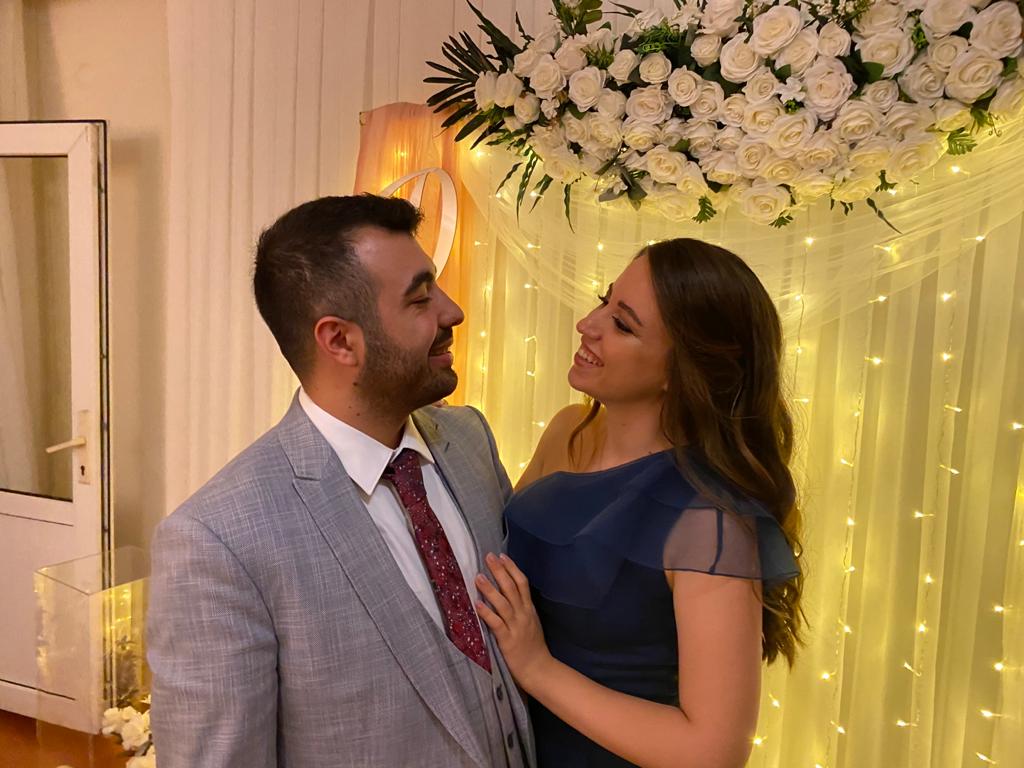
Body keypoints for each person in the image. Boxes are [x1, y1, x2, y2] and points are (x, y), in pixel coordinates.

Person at [147, 194, 534, 768]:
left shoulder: (470, 441)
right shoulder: (216, 541)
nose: (452, 312)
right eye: (420, 299)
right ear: (339, 341)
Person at [474, 239, 804, 768]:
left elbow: (712, 753)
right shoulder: (567, 431)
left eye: (623, 325)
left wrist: (538, 669)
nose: (587, 324)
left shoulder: (709, 520)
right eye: (604, 301)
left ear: (682, 370)